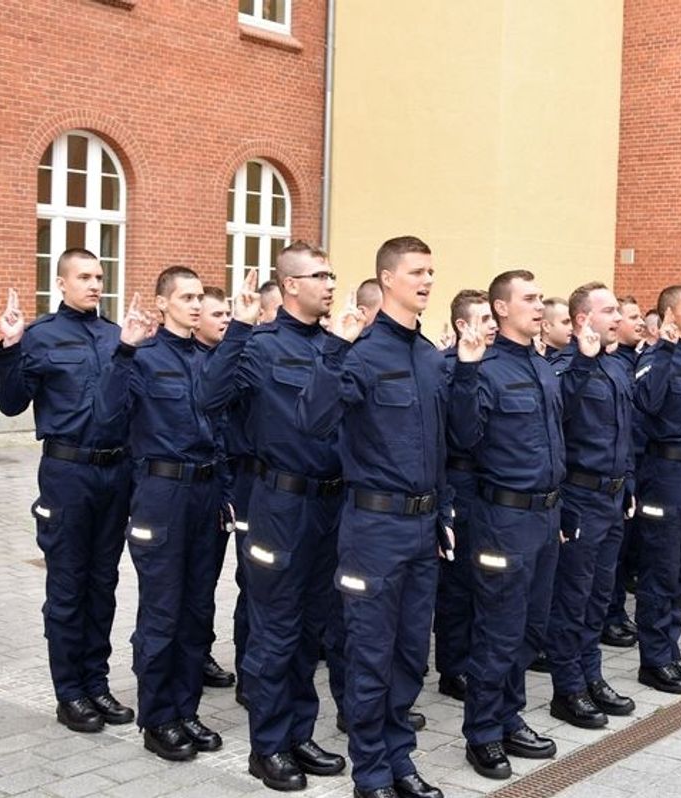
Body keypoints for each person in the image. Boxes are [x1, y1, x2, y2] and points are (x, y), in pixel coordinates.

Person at [297, 236, 449, 798]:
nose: (428, 281)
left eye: (432, 271)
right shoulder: (360, 353)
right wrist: (334, 349)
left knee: (410, 653)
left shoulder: (431, 357)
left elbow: (448, 447)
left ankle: (400, 761)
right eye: (417, 271)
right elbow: (311, 421)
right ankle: (371, 772)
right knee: (370, 651)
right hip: (374, 528)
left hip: (423, 525)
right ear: (387, 279)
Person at [200, 246, 354, 791]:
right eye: (320, 276)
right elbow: (209, 396)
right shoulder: (261, 345)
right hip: (279, 504)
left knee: (312, 628)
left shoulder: (336, 344)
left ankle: (299, 733)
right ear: (290, 286)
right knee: (276, 629)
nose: (331, 283)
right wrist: (239, 328)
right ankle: (268, 747)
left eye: (332, 274)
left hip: (331, 505)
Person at [0, 248, 134, 734]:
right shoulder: (40, 337)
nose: (95, 284)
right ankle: (69, 691)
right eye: (85, 276)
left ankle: (97, 682)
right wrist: (9, 348)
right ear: (62, 283)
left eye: (99, 276)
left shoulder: (117, 336)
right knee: (69, 585)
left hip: (115, 475)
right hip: (67, 473)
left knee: (104, 583)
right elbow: (11, 404)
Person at [96, 266, 224, 761]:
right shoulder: (141, 358)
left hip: (205, 493)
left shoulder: (209, 360)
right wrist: (124, 351)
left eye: (199, 297)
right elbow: (106, 418)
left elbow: (225, 431)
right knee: (163, 611)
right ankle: (157, 717)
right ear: (162, 303)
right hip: (162, 494)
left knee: (197, 611)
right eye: (186, 297)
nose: (196, 305)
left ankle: (185, 707)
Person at [449, 269, 565, 780]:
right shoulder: (484, 368)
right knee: (497, 629)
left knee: (530, 628)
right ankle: (483, 733)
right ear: (500, 308)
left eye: (541, 297)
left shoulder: (541, 366)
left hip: (546, 515)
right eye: (530, 298)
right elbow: (462, 438)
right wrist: (469, 370)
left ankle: (509, 714)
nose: (539, 306)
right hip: (504, 518)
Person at [545, 283, 637, 729]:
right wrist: (581, 361)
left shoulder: (617, 368)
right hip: (581, 496)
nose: (617, 316)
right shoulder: (565, 366)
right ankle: (568, 689)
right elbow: (558, 418)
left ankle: (591, 674)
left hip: (614, 495)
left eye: (618, 310)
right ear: (583, 319)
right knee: (574, 597)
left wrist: (630, 484)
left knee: (599, 596)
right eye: (609, 310)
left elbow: (626, 434)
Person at [631, 286, 681, 686]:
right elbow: (646, 402)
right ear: (668, 315)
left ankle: (671, 650)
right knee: (660, 568)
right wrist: (662, 351)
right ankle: (653, 659)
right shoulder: (656, 356)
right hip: (665, 472)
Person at [435, 289, 498, 703]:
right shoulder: (446, 367)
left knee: (485, 580)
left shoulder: (501, 363)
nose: (492, 324)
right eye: (484, 318)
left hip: (490, 486)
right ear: (462, 325)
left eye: (494, 317)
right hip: (459, 482)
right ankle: (452, 667)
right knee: (457, 585)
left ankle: (476, 658)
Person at [194, 287, 238, 692]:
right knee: (188, 582)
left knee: (207, 578)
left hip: (222, 485)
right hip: (182, 488)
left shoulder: (233, 361)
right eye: (217, 314)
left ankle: (200, 652)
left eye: (228, 313)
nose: (225, 320)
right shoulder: (188, 361)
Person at [603, 295, 646, 647]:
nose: (636, 322)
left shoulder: (626, 364)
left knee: (622, 554)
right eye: (625, 315)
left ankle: (615, 613)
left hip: (627, 473)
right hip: (595, 484)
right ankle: (610, 614)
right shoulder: (595, 364)